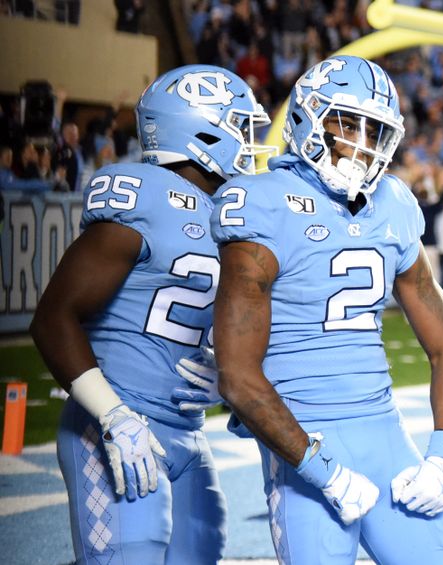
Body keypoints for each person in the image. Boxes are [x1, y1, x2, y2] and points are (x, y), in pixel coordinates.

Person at [210, 55, 443, 565]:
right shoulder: (262, 200)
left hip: (386, 435)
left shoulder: (393, 202)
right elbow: (237, 375)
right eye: (347, 122)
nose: (361, 143)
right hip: (303, 442)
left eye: (375, 131)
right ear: (309, 117)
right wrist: (319, 468)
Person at [30, 64, 276, 564]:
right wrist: (114, 415)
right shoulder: (144, 196)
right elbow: (54, 316)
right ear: (202, 130)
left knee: (202, 552)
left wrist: (223, 370)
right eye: (240, 127)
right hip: (117, 426)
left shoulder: (227, 213)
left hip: (186, 430)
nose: (250, 144)